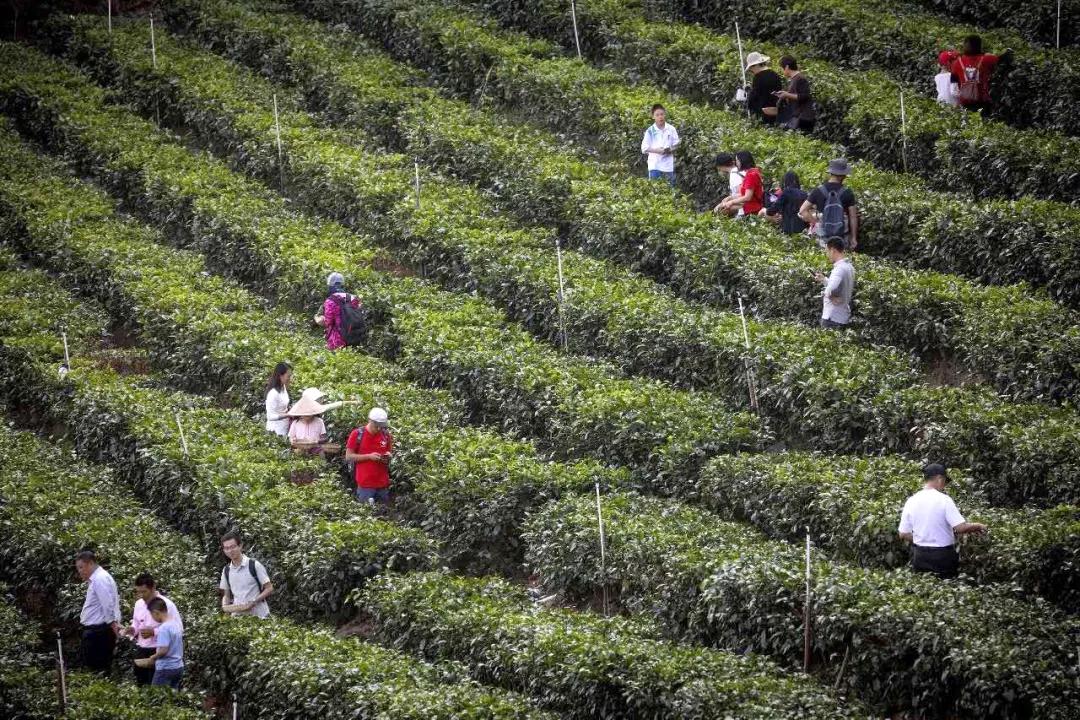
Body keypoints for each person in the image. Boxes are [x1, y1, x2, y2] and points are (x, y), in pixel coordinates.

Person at [898, 464, 988, 579]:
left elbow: (903, 534)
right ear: (940, 479)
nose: (944, 485)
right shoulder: (944, 500)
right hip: (942, 557)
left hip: (920, 556)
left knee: (924, 590)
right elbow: (960, 528)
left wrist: (923, 538)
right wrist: (978, 526)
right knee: (946, 590)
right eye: (945, 481)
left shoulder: (911, 500)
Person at [121, 573, 183, 686]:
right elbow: (136, 624)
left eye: (144, 592)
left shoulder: (167, 605)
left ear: (153, 588)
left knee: (157, 687)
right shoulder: (139, 604)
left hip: (158, 650)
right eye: (138, 592)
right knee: (142, 683)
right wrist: (132, 630)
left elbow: (178, 628)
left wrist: (154, 632)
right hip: (142, 649)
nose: (141, 595)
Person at [940, 36, 1013, 115]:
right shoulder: (987, 59)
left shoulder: (957, 63)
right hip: (983, 101)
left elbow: (953, 87)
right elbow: (1002, 58)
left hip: (965, 103)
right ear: (980, 46)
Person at [76, 550, 121, 676]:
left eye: (81, 567)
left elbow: (108, 604)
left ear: (90, 563)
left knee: (97, 670)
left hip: (99, 632)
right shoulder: (97, 578)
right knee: (96, 668)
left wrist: (113, 625)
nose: (79, 571)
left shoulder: (100, 579)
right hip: (97, 631)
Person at [800, 158, 858, 250]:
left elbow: (803, 210)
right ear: (842, 175)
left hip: (823, 237)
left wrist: (816, 223)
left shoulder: (818, 191)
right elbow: (853, 217)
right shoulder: (848, 192)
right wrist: (854, 238)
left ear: (831, 173)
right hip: (842, 237)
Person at [219, 531, 273, 619]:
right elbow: (226, 594)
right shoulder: (226, 570)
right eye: (227, 548)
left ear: (240, 546)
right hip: (238, 619)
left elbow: (269, 588)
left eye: (233, 547)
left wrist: (254, 602)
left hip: (260, 617)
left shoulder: (254, 565)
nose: (230, 551)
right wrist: (225, 606)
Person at [132, 598, 184, 689]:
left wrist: (153, 657)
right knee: (172, 696)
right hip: (178, 667)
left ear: (156, 613)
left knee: (157, 697)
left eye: (152, 615)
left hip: (165, 668)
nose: (153, 618)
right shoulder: (175, 624)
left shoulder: (163, 628)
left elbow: (163, 650)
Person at [345, 407, 393, 505]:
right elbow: (349, 456)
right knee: (366, 514)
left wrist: (388, 456)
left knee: (383, 514)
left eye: (381, 426)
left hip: (382, 484)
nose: (379, 428)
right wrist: (369, 456)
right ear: (370, 421)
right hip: (365, 485)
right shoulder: (357, 434)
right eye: (376, 426)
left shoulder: (386, 435)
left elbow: (389, 452)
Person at [314, 271, 362, 351]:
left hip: (339, 342)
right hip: (356, 339)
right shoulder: (353, 298)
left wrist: (317, 319)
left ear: (330, 285)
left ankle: (332, 347)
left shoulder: (330, 301)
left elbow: (327, 322)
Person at [814, 237, 855, 329]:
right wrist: (824, 279)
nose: (827, 255)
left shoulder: (839, 269)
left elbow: (830, 289)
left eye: (827, 251)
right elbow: (837, 285)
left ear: (832, 250)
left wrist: (828, 294)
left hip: (831, 318)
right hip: (842, 316)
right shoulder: (849, 267)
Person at [713, 151, 763, 218]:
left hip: (751, 206)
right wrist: (730, 198)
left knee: (718, 210)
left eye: (737, 160)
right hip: (750, 203)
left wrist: (731, 202)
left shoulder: (750, 175)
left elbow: (747, 197)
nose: (736, 163)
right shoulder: (752, 171)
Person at [640, 103, 680, 186]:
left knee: (670, 192)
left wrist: (669, 150)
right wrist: (657, 150)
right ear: (653, 117)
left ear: (665, 114)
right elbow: (644, 148)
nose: (660, 117)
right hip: (654, 166)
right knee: (655, 192)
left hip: (668, 166)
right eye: (657, 115)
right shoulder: (650, 131)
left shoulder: (671, 129)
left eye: (662, 114)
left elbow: (677, 144)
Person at [775, 56, 816, 133]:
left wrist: (787, 95)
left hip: (804, 118)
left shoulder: (800, 78)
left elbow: (804, 96)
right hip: (799, 117)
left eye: (781, 68)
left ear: (787, 67)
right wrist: (784, 95)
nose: (782, 71)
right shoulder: (794, 79)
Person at [743, 51, 782, 125]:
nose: (751, 70)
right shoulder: (775, 74)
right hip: (776, 112)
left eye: (751, 68)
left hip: (764, 114)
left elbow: (753, 99)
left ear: (755, 65)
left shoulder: (758, 78)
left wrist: (748, 92)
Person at [265, 361, 292, 437]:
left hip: (284, 428)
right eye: (288, 376)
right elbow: (270, 416)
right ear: (281, 376)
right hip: (275, 431)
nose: (289, 378)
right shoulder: (273, 394)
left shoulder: (283, 388)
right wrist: (288, 415)